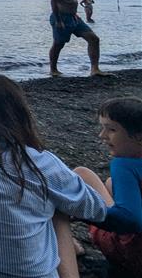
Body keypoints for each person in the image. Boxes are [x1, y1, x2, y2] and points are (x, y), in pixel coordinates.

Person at [0, 73, 108, 278]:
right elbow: (96, 210)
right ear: (19, 111)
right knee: (57, 207)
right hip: (26, 273)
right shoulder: (41, 164)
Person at [73, 97, 142, 276]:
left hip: (132, 255)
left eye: (111, 129)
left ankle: (70, 247)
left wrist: (83, 212)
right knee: (111, 183)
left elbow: (129, 220)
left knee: (82, 174)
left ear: (139, 136)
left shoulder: (125, 165)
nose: (102, 135)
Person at [49, 0, 106, 77]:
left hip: (74, 18)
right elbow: (54, 3)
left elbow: (72, 1)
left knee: (94, 39)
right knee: (58, 44)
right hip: (61, 17)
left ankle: (95, 69)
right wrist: (59, 20)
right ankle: (53, 70)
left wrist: (75, 14)